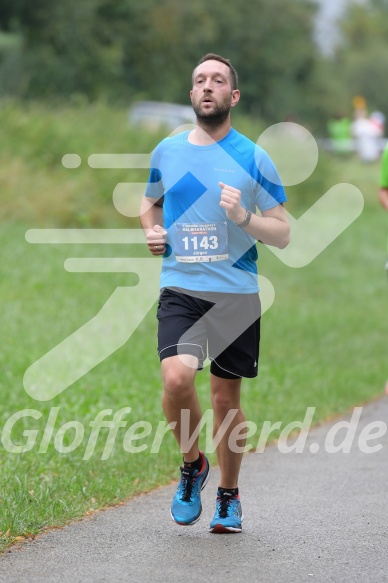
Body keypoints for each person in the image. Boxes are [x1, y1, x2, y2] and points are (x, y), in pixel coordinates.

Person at [140, 53, 290, 533]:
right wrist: (152, 230)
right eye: (200, 80)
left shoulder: (253, 157)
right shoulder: (167, 151)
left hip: (236, 294)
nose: (208, 86)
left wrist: (244, 218)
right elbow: (149, 204)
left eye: (218, 80)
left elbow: (283, 232)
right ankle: (192, 465)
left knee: (226, 400)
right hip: (181, 287)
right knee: (176, 380)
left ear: (233, 95)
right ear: (191, 95)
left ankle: (228, 495)